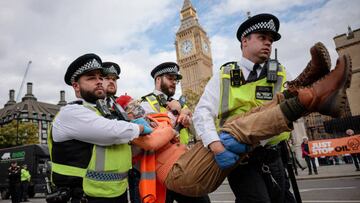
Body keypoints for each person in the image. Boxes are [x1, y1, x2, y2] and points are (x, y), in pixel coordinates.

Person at [193, 13, 335, 203]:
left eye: (271, 40)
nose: (268, 43)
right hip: (241, 158)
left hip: (274, 155)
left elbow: (295, 114)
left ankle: (313, 83)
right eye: (262, 37)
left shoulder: (280, 72)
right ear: (244, 41)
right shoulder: (224, 75)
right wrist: (216, 146)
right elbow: (201, 113)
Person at [48, 53, 152, 203]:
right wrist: (139, 128)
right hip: (85, 195)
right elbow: (112, 133)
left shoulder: (104, 113)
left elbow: (123, 147)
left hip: (116, 192)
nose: (99, 81)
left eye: (100, 77)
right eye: (91, 78)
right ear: (76, 86)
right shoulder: (71, 112)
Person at [139, 62, 210, 203]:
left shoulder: (181, 104)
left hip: (183, 166)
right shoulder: (145, 104)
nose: (174, 83)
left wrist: (189, 122)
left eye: (175, 80)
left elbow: (198, 131)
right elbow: (152, 134)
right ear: (158, 79)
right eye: (170, 78)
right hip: (160, 168)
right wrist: (175, 112)